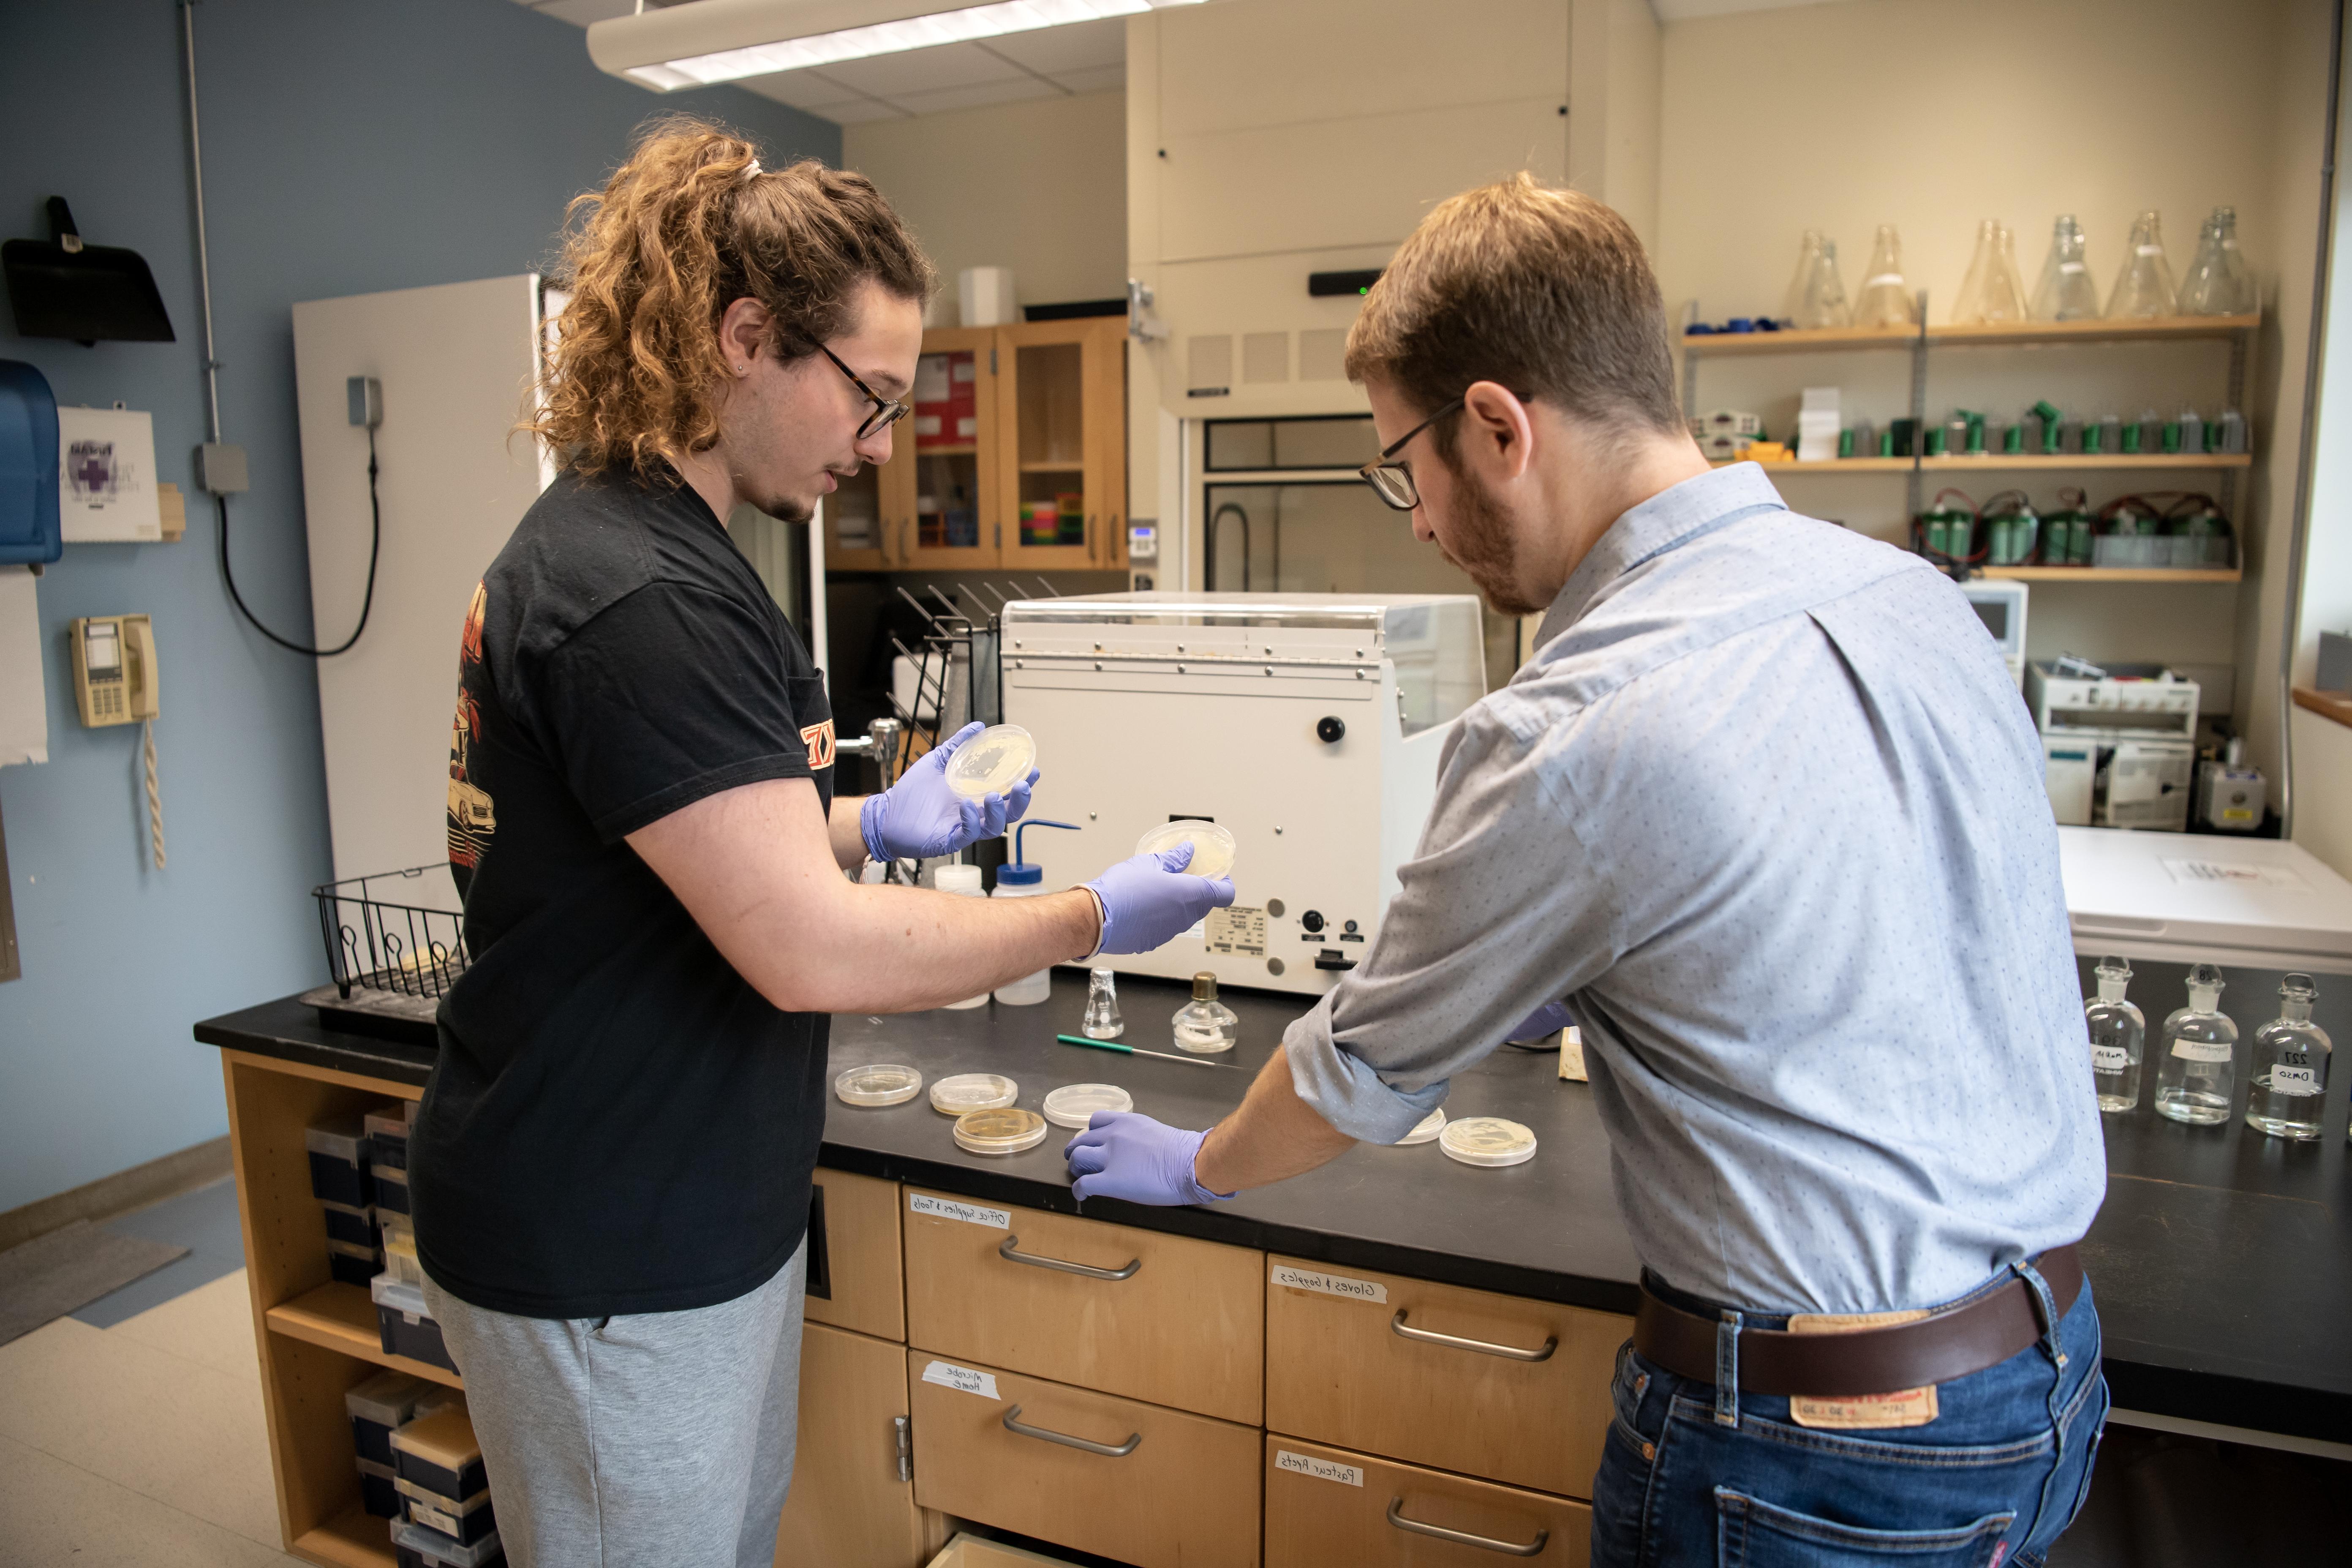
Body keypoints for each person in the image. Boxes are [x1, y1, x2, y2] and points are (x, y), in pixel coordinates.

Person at [1063, 174, 2108, 1568]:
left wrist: (1200, 1163)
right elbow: (1895, 921)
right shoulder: (1913, 596)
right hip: (2050, 1376)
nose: (1419, 518)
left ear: (1498, 426)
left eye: (1405, 468)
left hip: (1817, 1458)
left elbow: (1349, 1080)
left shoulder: (1572, 723)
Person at [410, 119, 1230, 1568]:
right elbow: (804, 948)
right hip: (607, 1240)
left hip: (677, 1212)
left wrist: (861, 822)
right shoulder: (635, 591)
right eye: (870, 394)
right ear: (744, 339)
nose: (880, 441)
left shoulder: (650, 545)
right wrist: (1087, 918)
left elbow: (668, 833)